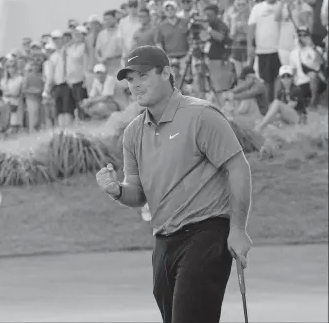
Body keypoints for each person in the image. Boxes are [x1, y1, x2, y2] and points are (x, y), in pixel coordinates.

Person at [96, 45, 252, 323]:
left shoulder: (201, 115)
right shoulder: (133, 133)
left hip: (207, 232)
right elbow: (137, 193)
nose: (135, 85)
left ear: (166, 73)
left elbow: (237, 167)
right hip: (164, 241)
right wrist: (117, 191)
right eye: (130, 79)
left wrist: (238, 230)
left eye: (142, 76)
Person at [248, 0, 281, 103]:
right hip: (262, 49)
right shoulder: (257, 8)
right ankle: (267, 105)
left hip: (279, 49)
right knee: (265, 79)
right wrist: (250, 46)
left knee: (278, 78)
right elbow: (251, 27)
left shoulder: (282, 6)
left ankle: (276, 103)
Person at [256, 65, 306, 131]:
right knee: (266, 119)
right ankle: (262, 125)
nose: (286, 79)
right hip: (289, 118)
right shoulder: (280, 92)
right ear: (280, 79)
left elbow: (289, 106)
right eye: (283, 76)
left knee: (276, 104)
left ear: (292, 78)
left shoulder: (296, 90)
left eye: (288, 76)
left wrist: (274, 116)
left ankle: (260, 127)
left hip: (299, 118)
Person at [289, 26, 327, 109]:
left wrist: (312, 47)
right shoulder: (293, 53)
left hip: (315, 81)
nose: (302, 38)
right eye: (300, 35)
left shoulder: (316, 49)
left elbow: (321, 63)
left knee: (313, 75)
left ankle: (314, 102)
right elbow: (293, 72)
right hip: (301, 84)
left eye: (305, 35)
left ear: (309, 36)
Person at [275, 0, 312, 65]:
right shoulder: (283, 6)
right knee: (286, 71)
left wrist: (296, 10)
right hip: (283, 45)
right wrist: (282, 2)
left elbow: (305, 25)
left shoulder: (304, 6)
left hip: (298, 44)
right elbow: (276, 18)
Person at [0, 56, 24, 134]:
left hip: (17, 107)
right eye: (8, 67)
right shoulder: (3, 81)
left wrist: (11, 94)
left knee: (15, 130)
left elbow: (18, 93)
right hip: (6, 107)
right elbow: (4, 94)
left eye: (13, 66)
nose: (11, 68)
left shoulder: (20, 79)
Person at [22, 60, 44, 132]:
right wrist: (34, 91)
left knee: (39, 117)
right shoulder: (27, 76)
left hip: (39, 99)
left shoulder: (41, 76)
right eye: (34, 65)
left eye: (37, 65)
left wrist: (39, 91)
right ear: (31, 67)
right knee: (33, 116)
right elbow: (24, 89)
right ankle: (32, 132)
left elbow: (42, 87)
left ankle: (38, 131)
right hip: (31, 99)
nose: (35, 67)